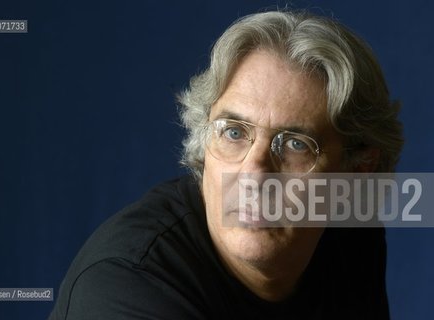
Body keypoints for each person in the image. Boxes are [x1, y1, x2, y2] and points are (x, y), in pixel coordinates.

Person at [49, 9, 403, 319]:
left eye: (295, 144)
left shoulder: (349, 235)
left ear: (358, 171)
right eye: (234, 133)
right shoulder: (127, 283)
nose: (254, 173)